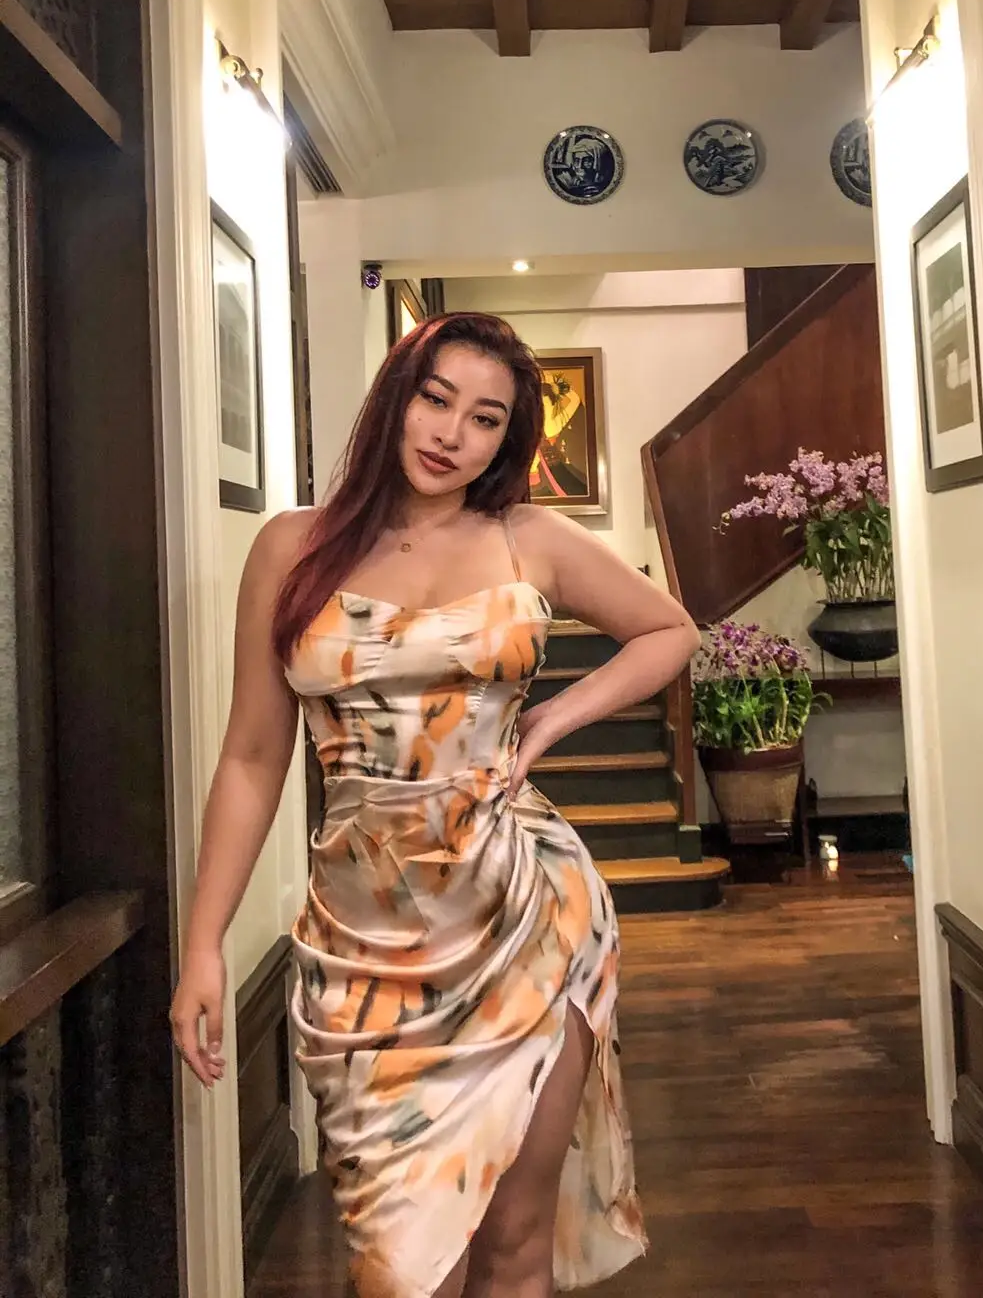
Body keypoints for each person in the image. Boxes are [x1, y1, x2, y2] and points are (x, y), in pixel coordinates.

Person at [170, 312, 700, 1298]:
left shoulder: (527, 538)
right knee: (400, 1267)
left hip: (525, 923)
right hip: (364, 950)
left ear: (508, 440)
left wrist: (549, 721)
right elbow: (251, 755)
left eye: (486, 418)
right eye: (437, 398)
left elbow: (669, 631)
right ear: (396, 398)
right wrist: (204, 942)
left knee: (513, 1245)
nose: (453, 433)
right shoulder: (291, 548)